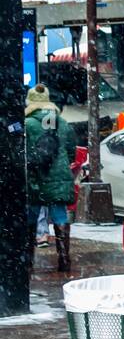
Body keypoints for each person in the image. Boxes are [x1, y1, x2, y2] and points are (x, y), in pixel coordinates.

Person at [24, 85, 76, 273]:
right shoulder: (61, 122)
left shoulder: (27, 124)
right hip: (59, 176)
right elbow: (71, 150)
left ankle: (27, 260)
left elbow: (23, 152)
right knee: (60, 215)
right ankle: (64, 259)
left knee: (31, 216)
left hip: (36, 177)